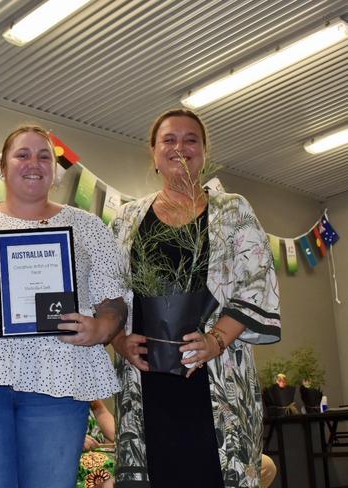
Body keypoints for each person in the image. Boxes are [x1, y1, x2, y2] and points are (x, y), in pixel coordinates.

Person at [110, 109, 281, 487]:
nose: (179, 147)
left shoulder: (233, 210)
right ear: (153, 153)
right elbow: (105, 292)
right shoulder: (125, 219)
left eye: (191, 139)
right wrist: (118, 339)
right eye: (168, 139)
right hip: (146, 381)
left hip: (218, 379)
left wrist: (216, 340)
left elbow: (257, 283)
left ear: (204, 152)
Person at [0, 125, 129, 488]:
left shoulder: (88, 226)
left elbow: (114, 298)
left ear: (55, 169)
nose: (34, 163)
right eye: (22, 154)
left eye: (44, 155)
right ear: (2, 166)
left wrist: (101, 327)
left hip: (59, 381)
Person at [77, 399, 115, 488]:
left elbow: (100, 410)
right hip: (67, 453)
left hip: (101, 449)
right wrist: (71, 439)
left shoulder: (83, 385)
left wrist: (119, 438)